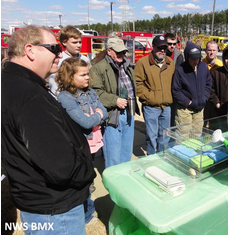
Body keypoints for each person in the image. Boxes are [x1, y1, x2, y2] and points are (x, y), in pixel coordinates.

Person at [2, 25, 95, 234]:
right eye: (53, 47)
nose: (59, 53)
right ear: (30, 50)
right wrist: (86, 172)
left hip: (39, 202)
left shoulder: (11, 82)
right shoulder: (29, 95)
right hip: (55, 210)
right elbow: (59, 165)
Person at [56, 57, 108, 224]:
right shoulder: (66, 97)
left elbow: (104, 112)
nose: (88, 77)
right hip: (80, 145)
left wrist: (96, 115)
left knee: (88, 177)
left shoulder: (90, 92)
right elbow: (85, 123)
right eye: (83, 75)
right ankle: (85, 214)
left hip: (91, 144)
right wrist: (97, 114)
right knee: (82, 180)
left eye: (88, 74)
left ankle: (88, 209)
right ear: (70, 77)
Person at [90, 37, 139, 168]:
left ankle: (123, 177)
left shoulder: (126, 65)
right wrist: (115, 100)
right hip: (112, 115)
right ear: (109, 51)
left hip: (129, 113)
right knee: (113, 155)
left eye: (123, 52)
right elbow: (95, 93)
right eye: (118, 52)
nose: (122, 55)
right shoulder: (98, 68)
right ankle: (113, 181)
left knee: (126, 151)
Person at [135, 35, 175, 154]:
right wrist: (149, 98)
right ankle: (151, 158)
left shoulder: (170, 62)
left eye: (164, 47)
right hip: (151, 107)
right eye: (159, 47)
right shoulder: (143, 63)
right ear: (153, 47)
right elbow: (137, 83)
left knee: (165, 136)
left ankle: (162, 157)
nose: (162, 50)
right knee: (151, 136)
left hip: (166, 107)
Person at [172, 41, 211, 136]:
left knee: (196, 137)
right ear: (187, 57)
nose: (195, 61)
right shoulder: (180, 70)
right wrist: (188, 102)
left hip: (199, 109)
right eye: (193, 59)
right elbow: (176, 90)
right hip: (185, 110)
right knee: (183, 138)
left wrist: (204, 98)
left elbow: (208, 84)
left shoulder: (203, 67)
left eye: (197, 58)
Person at [48, 25, 90, 96]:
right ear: (64, 42)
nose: (79, 45)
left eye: (80, 42)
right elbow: (55, 85)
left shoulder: (84, 59)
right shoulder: (59, 60)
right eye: (74, 42)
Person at [202, 40, 223, 122]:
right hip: (204, 99)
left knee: (215, 124)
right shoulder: (200, 64)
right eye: (209, 50)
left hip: (215, 99)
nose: (211, 52)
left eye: (214, 50)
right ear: (205, 51)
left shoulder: (221, 65)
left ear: (217, 51)